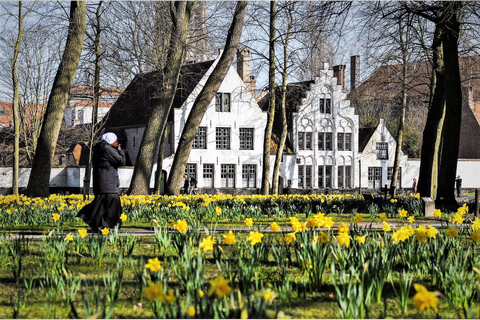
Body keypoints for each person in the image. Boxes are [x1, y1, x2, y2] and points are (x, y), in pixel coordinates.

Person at [77, 132, 126, 233]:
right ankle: (91, 218)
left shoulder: (100, 149)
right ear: (111, 141)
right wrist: (120, 151)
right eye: (116, 141)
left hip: (102, 181)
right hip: (108, 181)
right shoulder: (107, 150)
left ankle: (102, 224)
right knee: (110, 200)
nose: (117, 143)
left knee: (103, 202)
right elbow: (121, 161)